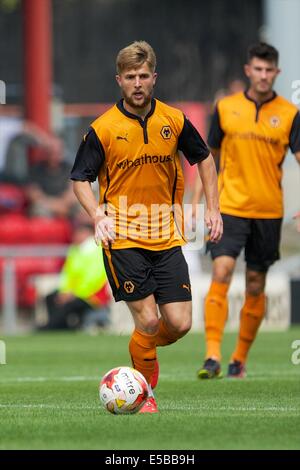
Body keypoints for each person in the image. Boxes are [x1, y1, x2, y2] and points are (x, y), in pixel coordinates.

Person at [70, 41, 222, 413]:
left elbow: (204, 158)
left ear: (154, 78)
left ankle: (142, 350)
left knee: (181, 323)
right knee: (150, 319)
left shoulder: (174, 120)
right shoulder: (103, 129)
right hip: (122, 238)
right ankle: (144, 396)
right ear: (119, 80)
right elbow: (79, 180)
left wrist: (210, 209)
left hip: (166, 236)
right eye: (130, 77)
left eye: (143, 76)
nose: (137, 83)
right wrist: (98, 215)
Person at [194, 42, 300, 379]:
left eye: (269, 70)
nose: (264, 75)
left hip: (269, 211)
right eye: (258, 69)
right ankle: (212, 356)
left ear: (277, 73)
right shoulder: (224, 108)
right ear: (248, 70)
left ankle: (238, 359)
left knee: (256, 284)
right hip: (230, 207)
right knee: (222, 270)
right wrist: (201, 202)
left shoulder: (289, 113)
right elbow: (207, 156)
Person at [38, 223, 111, 330]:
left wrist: (74, 294)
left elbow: (94, 278)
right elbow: (67, 274)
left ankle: (50, 328)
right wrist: (64, 291)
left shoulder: (98, 250)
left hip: (92, 296)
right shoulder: (74, 250)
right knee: (50, 297)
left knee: (70, 304)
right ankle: (61, 327)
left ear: (88, 234)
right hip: (75, 293)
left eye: (79, 233)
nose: (75, 236)